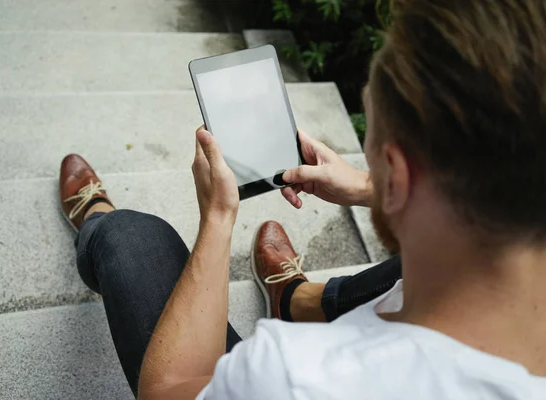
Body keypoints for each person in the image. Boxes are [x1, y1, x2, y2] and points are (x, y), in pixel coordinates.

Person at [59, 0, 546, 398]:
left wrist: (218, 218)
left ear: (399, 174)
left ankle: (98, 221)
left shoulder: (298, 378)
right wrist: (367, 188)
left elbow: (167, 391)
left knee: (132, 236)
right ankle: (293, 299)